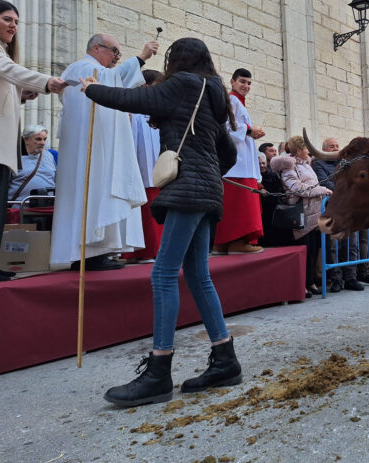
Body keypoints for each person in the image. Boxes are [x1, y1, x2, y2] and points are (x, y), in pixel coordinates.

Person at [81, 37, 241, 407]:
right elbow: (228, 153)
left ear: (177, 60)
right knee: (198, 275)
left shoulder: (184, 84)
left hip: (187, 189)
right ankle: (225, 360)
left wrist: (93, 89)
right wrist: (208, 173)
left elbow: (136, 100)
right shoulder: (214, 95)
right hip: (206, 192)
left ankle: (159, 371)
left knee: (163, 274)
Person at [0, 0, 66, 282]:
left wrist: (21, 95)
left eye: (17, 22)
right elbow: (11, 71)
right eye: (7, 19)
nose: (13, 26)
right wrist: (46, 82)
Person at [50, 33, 158, 271]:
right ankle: (88, 253)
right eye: (114, 51)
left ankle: (97, 251)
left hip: (97, 143)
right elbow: (113, 81)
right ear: (97, 48)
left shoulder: (93, 70)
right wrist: (140, 58)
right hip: (90, 147)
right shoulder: (83, 68)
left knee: (99, 192)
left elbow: (115, 83)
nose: (117, 57)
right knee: (93, 191)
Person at [271, 135, 332, 297]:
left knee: (313, 250)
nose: (308, 151)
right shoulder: (289, 166)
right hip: (301, 213)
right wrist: (322, 190)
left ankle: (310, 281)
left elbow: (313, 184)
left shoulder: (306, 165)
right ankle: (301, 284)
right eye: (306, 148)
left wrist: (320, 189)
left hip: (315, 212)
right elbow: (296, 187)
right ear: (299, 150)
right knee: (305, 250)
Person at [212, 68, 265, 254]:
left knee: (233, 207)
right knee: (241, 206)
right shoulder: (231, 100)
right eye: (242, 81)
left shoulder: (237, 103)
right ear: (232, 82)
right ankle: (238, 242)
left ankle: (223, 243)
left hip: (240, 162)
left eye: (249, 83)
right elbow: (224, 126)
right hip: (237, 164)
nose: (246, 86)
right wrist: (250, 131)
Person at [311, 137, 366, 291]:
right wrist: (346, 191)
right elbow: (325, 182)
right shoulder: (318, 163)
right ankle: (336, 279)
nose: (335, 148)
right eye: (331, 146)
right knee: (334, 246)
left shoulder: (345, 164)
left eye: (337, 146)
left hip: (349, 210)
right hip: (333, 210)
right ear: (324, 149)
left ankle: (351, 278)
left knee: (352, 245)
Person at [122, 70, 164, 263]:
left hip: (158, 173)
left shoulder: (158, 113)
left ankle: (156, 249)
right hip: (140, 173)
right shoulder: (133, 114)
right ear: (146, 87)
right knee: (144, 209)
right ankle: (142, 251)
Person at [8, 125, 57, 204]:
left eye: (45, 139)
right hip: (21, 209)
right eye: (38, 139)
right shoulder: (14, 156)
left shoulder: (50, 156)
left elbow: (56, 179)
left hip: (47, 208)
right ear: (26, 139)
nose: (43, 143)